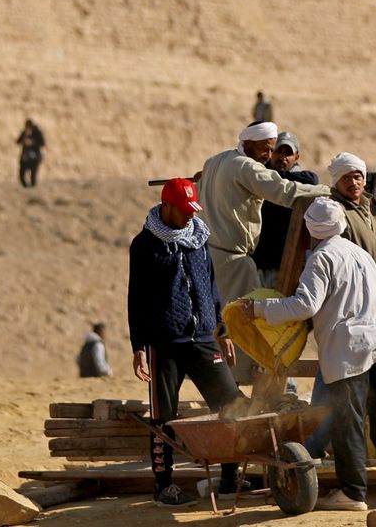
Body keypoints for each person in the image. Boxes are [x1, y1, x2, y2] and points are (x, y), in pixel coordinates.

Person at [244, 198, 376, 511]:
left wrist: (259, 308)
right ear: (341, 224)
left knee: (347, 422)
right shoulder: (362, 255)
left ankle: (353, 494)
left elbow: (305, 305)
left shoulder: (321, 258)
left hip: (348, 351)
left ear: (311, 230)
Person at [129, 177, 245, 507]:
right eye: (183, 210)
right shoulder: (145, 245)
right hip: (164, 343)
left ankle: (229, 477)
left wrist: (222, 329)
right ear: (166, 207)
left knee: (230, 404)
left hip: (204, 338)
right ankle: (164, 486)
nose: (190, 216)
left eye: (193, 209)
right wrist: (139, 346)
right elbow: (136, 298)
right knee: (163, 416)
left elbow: (210, 286)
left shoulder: (198, 238)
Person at [196, 122, 328, 329]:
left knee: (218, 324)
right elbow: (286, 192)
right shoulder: (246, 167)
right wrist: (330, 192)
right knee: (243, 327)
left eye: (271, 149)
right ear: (248, 143)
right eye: (265, 148)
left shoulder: (214, 161)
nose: (268, 155)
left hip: (209, 257)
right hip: (233, 263)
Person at [303, 152, 376, 460]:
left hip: (370, 306)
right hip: (347, 308)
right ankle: (310, 449)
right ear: (336, 181)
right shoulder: (334, 213)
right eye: (347, 178)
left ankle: (318, 446)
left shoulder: (365, 208)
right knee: (335, 384)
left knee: (349, 383)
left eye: (358, 176)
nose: (354, 182)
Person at [253, 133, 320, 290]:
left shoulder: (301, 180)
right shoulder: (260, 175)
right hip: (257, 263)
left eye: (288, 153)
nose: (282, 157)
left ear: (296, 157)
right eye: (278, 152)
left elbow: (312, 180)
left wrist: (274, 177)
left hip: (286, 264)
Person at [16, 119, 45, 188]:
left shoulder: (37, 133)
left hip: (34, 158)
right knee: (21, 174)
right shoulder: (24, 132)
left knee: (33, 175)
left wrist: (32, 142)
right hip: (25, 158)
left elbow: (42, 143)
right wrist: (24, 139)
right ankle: (26, 188)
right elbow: (18, 141)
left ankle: (32, 189)